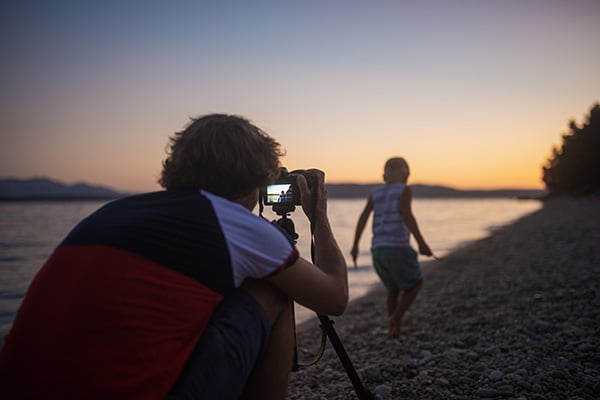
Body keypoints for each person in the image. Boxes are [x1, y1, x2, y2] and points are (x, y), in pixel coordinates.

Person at [0, 114, 348, 400]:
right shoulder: (234, 224)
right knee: (273, 287)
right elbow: (334, 297)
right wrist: (319, 218)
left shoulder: (112, 212)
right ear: (257, 176)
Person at [350, 157, 432, 337]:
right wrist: (421, 242)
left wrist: (355, 245)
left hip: (378, 249)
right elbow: (407, 215)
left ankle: (394, 329)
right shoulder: (404, 190)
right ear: (407, 176)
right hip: (398, 247)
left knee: (392, 288)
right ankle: (396, 317)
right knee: (415, 285)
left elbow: (363, 218)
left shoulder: (376, 192)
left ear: (383, 176)